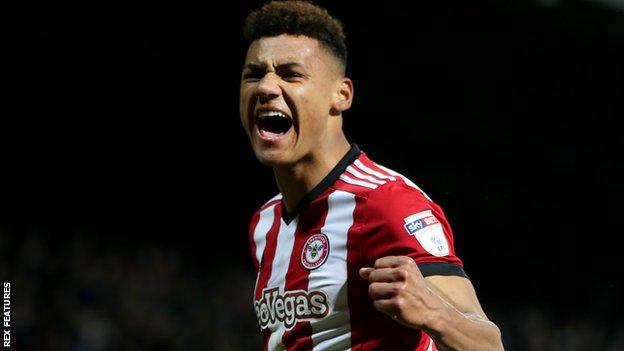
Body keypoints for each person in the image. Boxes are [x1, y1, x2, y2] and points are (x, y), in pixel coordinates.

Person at [240, 1, 504, 350]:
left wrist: (434, 312)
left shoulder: (386, 203)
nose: (266, 87)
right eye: (254, 74)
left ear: (342, 94)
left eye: (291, 74)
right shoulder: (264, 223)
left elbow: (489, 345)